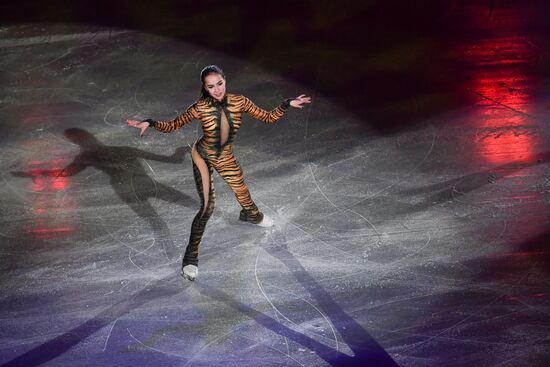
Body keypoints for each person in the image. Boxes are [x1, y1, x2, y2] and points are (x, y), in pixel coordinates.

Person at [127, 65, 311, 280]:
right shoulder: (200, 107)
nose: (217, 90)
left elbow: (268, 117)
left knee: (242, 191)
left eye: (219, 84)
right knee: (207, 207)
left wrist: (286, 103)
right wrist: (150, 122)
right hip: (203, 156)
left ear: (225, 80)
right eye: (211, 86)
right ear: (205, 88)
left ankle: (250, 215)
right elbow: (173, 125)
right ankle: (190, 258)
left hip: (225, 156)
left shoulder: (240, 101)